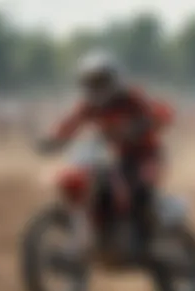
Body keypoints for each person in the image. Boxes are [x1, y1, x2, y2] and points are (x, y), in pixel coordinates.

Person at [39, 50, 173, 260]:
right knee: (100, 184)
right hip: (118, 158)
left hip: (146, 156)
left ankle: (151, 244)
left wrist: (141, 126)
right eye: (91, 82)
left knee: (138, 192)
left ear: (114, 78)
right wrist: (52, 140)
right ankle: (101, 232)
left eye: (101, 81)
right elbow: (69, 124)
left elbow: (162, 113)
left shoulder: (131, 98)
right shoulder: (90, 106)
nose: (96, 87)